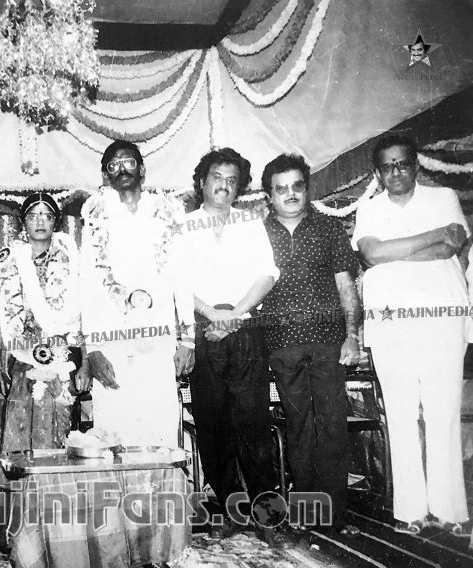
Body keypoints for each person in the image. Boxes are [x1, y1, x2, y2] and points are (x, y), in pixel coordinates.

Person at [352, 135, 469, 535]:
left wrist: (394, 250)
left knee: (443, 411)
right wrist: (432, 238)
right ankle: (410, 511)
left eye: (403, 163)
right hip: (390, 322)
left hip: (441, 315)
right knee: (400, 414)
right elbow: (371, 254)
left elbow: (451, 247)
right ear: (378, 173)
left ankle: (450, 509)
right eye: (387, 166)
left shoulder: (445, 198)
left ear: (415, 164)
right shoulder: (368, 210)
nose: (396, 172)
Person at [173, 148, 281, 543]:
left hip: (246, 331)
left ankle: (269, 518)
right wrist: (210, 316)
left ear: (240, 187)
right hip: (204, 334)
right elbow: (178, 283)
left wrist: (233, 314)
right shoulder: (183, 226)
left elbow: (267, 274)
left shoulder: (250, 223)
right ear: (201, 181)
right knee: (213, 428)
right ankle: (232, 513)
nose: (223, 184)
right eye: (216, 176)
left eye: (232, 179)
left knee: (253, 426)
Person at [261, 154, 361, 536]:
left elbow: (345, 287)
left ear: (307, 188)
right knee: (298, 428)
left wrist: (351, 335)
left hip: (328, 344)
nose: (290, 194)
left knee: (332, 427)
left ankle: (335, 517)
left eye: (297, 186)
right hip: (282, 345)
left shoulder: (330, 229)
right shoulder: (257, 234)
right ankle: (306, 514)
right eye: (280, 188)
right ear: (269, 195)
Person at [79, 140, 194, 448]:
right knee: (115, 427)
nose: (122, 169)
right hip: (111, 341)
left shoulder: (168, 210)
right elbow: (88, 283)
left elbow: (181, 277)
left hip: (159, 338)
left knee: (159, 424)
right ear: (105, 176)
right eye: (113, 166)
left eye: (129, 162)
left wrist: (187, 340)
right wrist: (92, 349)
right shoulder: (94, 214)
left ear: (142, 170)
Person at [0, 193, 88, 454]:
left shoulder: (71, 258)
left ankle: (55, 492)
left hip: (64, 357)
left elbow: (84, 315)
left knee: (58, 433)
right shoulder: (11, 261)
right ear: (23, 222)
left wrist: (86, 364)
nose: (40, 221)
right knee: (19, 431)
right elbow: (1, 317)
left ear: (56, 222)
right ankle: (21, 493)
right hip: (22, 359)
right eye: (33, 216)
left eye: (47, 215)